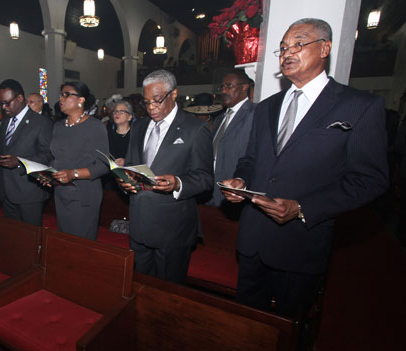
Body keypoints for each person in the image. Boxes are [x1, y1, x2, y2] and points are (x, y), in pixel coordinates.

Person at [220, 18, 389, 318]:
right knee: (247, 328)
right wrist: (240, 180)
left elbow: (369, 179)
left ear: (325, 48)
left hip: (301, 245)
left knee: (289, 332)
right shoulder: (267, 107)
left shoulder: (359, 106)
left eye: (299, 43)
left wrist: (302, 207)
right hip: (253, 242)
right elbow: (251, 159)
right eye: (283, 47)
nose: (287, 52)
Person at [121, 69, 213, 284]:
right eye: (146, 102)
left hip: (172, 228)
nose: (151, 107)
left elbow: (205, 178)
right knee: (140, 286)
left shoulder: (196, 128)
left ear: (173, 94)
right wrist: (124, 181)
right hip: (139, 224)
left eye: (157, 100)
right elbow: (132, 167)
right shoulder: (139, 126)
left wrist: (178, 183)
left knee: (168, 292)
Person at [47, 81, 109, 240]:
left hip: (84, 193)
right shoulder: (58, 126)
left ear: (81, 100)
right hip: (61, 191)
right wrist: (47, 175)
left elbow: (103, 165)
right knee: (65, 239)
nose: (61, 98)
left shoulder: (95, 126)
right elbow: (57, 158)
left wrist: (73, 174)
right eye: (61, 94)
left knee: (81, 243)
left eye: (66, 94)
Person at [0, 79, 53, 226]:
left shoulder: (41, 123)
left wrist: (19, 162)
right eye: (1, 103)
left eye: (7, 103)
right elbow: (3, 150)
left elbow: (47, 155)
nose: (3, 107)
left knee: (32, 237)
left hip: (29, 191)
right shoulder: (5, 122)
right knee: (14, 237)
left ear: (20, 98)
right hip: (6, 190)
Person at [210, 70, 256, 208]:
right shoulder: (219, 118)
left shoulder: (255, 113)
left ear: (244, 87)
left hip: (235, 195)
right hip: (212, 193)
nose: (223, 91)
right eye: (222, 87)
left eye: (229, 86)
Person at [108, 100, 133, 166]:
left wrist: (126, 162)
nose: (117, 114)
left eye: (122, 111)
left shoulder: (135, 135)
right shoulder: (108, 135)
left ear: (130, 117)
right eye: (115, 111)